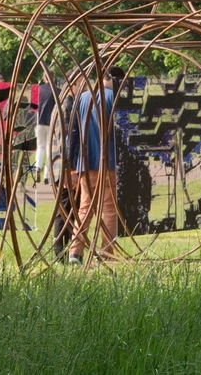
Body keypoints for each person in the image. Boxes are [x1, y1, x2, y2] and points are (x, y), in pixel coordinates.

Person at [64, 67, 121, 261]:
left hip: (85, 163)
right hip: (109, 163)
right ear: (112, 79)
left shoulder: (82, 97)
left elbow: (72, 132)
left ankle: (75, 252)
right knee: (110, 211)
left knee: (84, 209)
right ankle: (106, 254)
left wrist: (70, 163)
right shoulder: (114, 98)